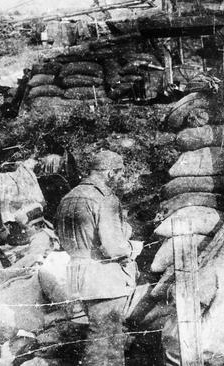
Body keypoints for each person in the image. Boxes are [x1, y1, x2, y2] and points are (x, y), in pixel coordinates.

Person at [55, 150, 142, 366]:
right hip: (103, 278)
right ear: (110, 173)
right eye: (120, 174)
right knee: (106, 345)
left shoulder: (68, 197)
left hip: (78, 273)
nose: (120, 179)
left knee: (98, 335)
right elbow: (113, 247)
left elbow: (62, 237)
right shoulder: (105, 199)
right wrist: (133, 247)